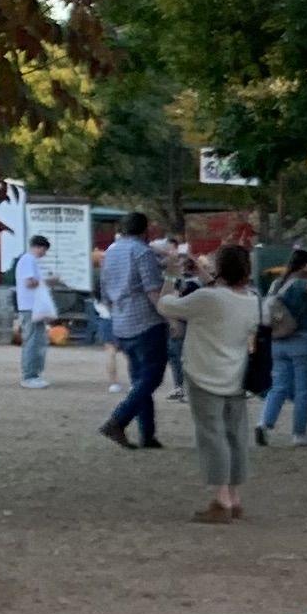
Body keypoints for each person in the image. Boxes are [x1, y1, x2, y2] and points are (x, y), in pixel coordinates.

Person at [173, 241, 259, 518]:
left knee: (212, 435)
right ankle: (234, 496)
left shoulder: (206, 298)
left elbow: (167, 306)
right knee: (235, 434)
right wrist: (204, 274)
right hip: (236, 373)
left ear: (220, 269)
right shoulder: (251, 299)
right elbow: (222, 295)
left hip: (204, 372)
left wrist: (169, 276)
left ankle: (221, 498)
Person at [96, 212, 170, 449]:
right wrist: (170, 316)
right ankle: (119, 419)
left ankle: (147, 434)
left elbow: (105, 292)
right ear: (145, 230)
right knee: (152, 376)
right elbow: (152, 290)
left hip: (122, 322)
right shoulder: (142, 252)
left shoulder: (111, 252)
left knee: (140, 378)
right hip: (146, 321)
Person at [258, 247, 307, 441]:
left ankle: (263, 423)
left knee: (278, 387)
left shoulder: (277, 284)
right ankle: (299, 433)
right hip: (303, 340)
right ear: (305, 266)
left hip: (277, 342)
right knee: (303, 390)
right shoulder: (300, 285)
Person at [13, 233, 59, 385]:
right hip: (30, 306)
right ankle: (29, 375)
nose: (44, 254)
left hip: (34, 307)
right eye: (44, 250)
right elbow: (29, 282)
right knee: (32, 340)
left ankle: (35, 372)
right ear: (39, 247)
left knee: (38, 340)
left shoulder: (29, 261)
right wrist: (47, 281)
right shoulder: (28, 260)